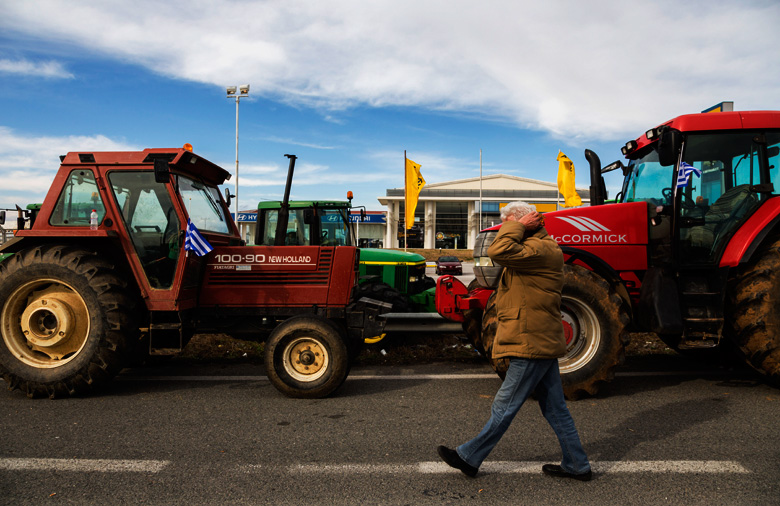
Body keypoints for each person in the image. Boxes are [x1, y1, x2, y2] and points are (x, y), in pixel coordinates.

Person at [437, 201, 592, 481]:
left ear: (525, 222)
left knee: (505, 404)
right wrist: (519, 226)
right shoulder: (532, 248)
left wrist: (518, 226)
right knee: (555, 409)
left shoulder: (540, 249)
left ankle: (469, 457)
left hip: (531, 339)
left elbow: (498, 250)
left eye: (508, 222)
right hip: (536, 336)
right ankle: (577, 465)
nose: (504, 228)